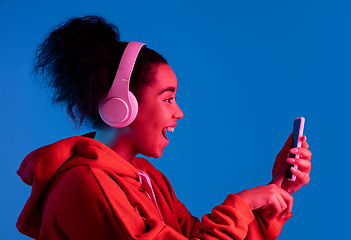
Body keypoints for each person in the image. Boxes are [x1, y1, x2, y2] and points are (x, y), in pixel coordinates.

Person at [16, 15, 312, 240]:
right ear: (121, 104)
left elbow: (195, 234)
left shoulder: (148, 178)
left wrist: (277, 189)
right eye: (168, 98)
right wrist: (243, 203)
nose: (179, 113)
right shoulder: (87, 183)